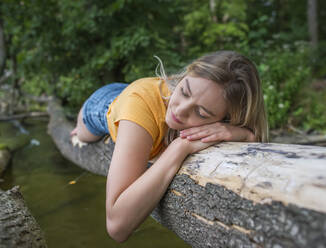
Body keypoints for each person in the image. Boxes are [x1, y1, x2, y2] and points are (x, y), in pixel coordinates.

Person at [70, 50, 268, 242]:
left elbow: (259, 142)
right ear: (183, 77)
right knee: (83, 135)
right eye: (184, 91)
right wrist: (179, 148)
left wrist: (243, 134)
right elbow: (116, 227)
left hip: (134, 93)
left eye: (201, 113)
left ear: (225, 120)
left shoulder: (216, 111)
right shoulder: (139, 110)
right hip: (102, 104)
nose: (180, 110)